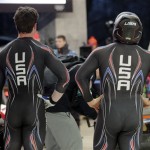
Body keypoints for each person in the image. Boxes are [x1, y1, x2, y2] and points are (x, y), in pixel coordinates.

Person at [76, 12, 150, 149]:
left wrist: (90, 100)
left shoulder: (101, 52)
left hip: (109, 114)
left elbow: (80, 76)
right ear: (139, 32)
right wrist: (147, 100)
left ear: (116, 29)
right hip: (133, 114)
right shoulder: (147, 55)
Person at [0, 6, 69, 150]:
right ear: (35, 25)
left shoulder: (4, 51)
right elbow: (65, 77)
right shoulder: (43, 49)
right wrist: (51, 101)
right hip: (34, 109)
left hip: (12, 110)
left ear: (16, 25)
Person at [40, 62, 100, 150]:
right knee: (74, 146)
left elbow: (75, 102)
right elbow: (81, 100)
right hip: (57, 108)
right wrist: (97, 116)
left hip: (43, 107)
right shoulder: (88, 72)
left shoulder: (79, 68)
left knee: (54, 147)